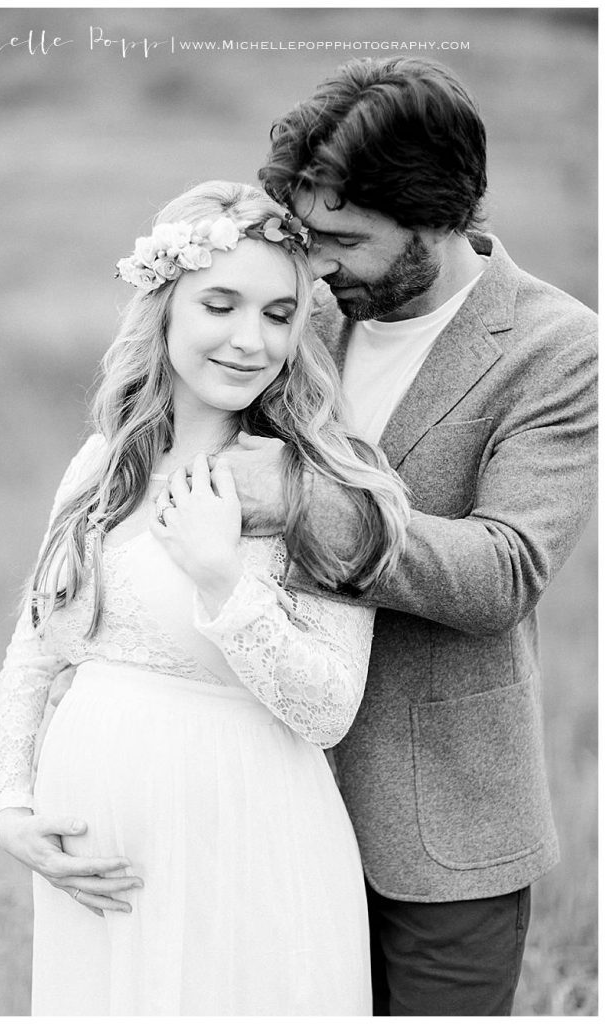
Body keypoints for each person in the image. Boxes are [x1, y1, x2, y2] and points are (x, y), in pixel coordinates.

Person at [202, 57, 596, 1016]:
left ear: (437, 219)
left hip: (444, 829)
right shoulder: (299, 312)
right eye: (311, 238)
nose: (321, 266)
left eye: (345, 240)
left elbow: (503, 571)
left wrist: (299, 501)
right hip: (268, 797)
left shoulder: (559, 350)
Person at [0, 180, 411, 1015]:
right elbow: (34, 653)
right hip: (95, 872)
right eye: (220, 304)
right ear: (165, 306)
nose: (248, 340)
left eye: (278, 315)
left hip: (244, 842)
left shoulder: (323, 484)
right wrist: (13, 806)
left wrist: (222, 580)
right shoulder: (103, 461)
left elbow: (327, 710)